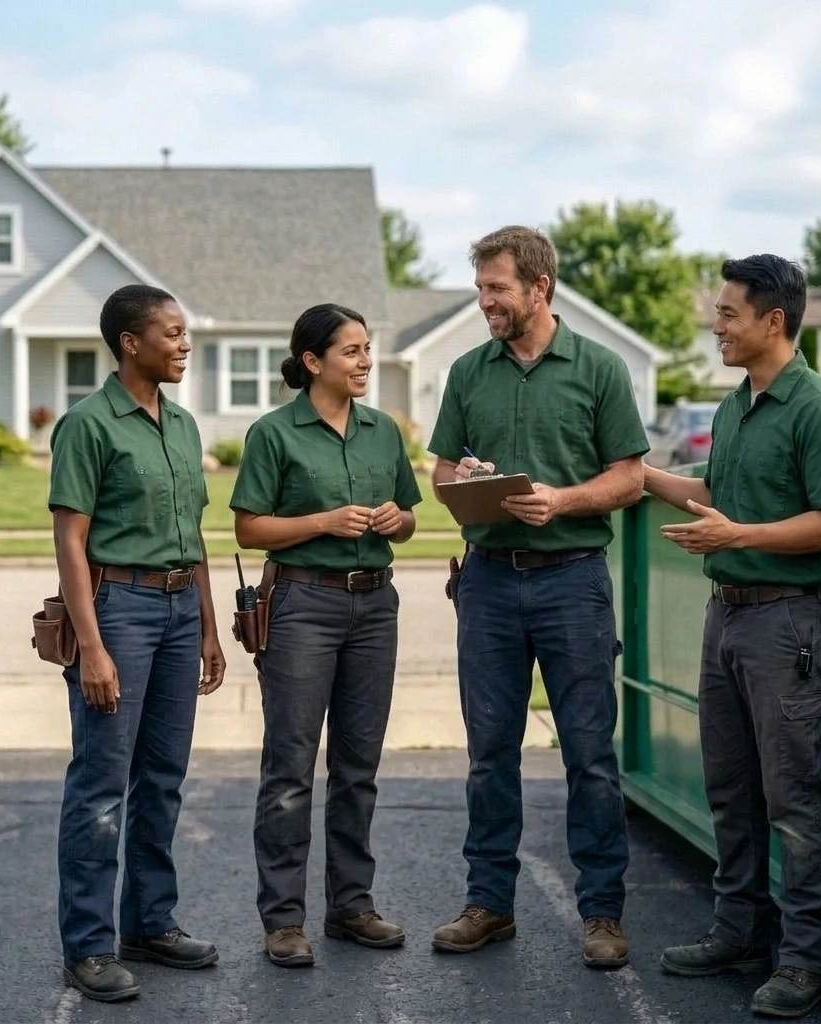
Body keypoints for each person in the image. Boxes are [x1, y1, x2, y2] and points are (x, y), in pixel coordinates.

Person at [644, 254, 821, 1019]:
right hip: (729, 615)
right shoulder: (738, 405)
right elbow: (716, 494)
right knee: (730, 789)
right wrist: (638, 474)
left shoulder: (818, 408)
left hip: (788, 623)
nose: (717, 326)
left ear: (775, 320)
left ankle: (807, 961)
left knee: (793, 799)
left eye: (729, 313)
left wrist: (743, 535)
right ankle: (738, 930)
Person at [426, 225, 649, 967]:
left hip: (573, 582)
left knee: (589, 754)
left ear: (538, 288)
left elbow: (630, 478)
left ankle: (603, 915)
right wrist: (471, 481)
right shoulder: (467, 372)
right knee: (490, 754)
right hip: (487, 583)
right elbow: (441, 476)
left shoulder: (600, 369)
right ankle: (489, 904)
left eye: (497, 289)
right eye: (481, 287)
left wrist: (563, 501)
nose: (484, 301)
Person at [48, 284, 226, 1002]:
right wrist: (91, 646)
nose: (185, 344)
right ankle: (88, 947)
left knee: (162, 779)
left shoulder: (182, 425)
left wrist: (211, 628)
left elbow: (196, 534)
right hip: (118, 607)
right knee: (100, 788)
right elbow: (70, 540)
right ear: (131, 342)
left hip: (182, 610)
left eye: (186, 333)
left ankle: (149, 924)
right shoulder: (88, 425)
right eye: (173, 333)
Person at [230, 302, 422, 968]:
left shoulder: (383, 432)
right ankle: (283, 920)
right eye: (351, 351)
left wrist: (398, 522)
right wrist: (323, 521)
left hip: (375, 607)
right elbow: (249, 529)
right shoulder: (274, 434)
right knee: (290, 767)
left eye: (368, 349)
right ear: (313, 362)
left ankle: (352, 907)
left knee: (358, 768)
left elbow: (410, 522)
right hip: (303, 605)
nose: (365, 361)